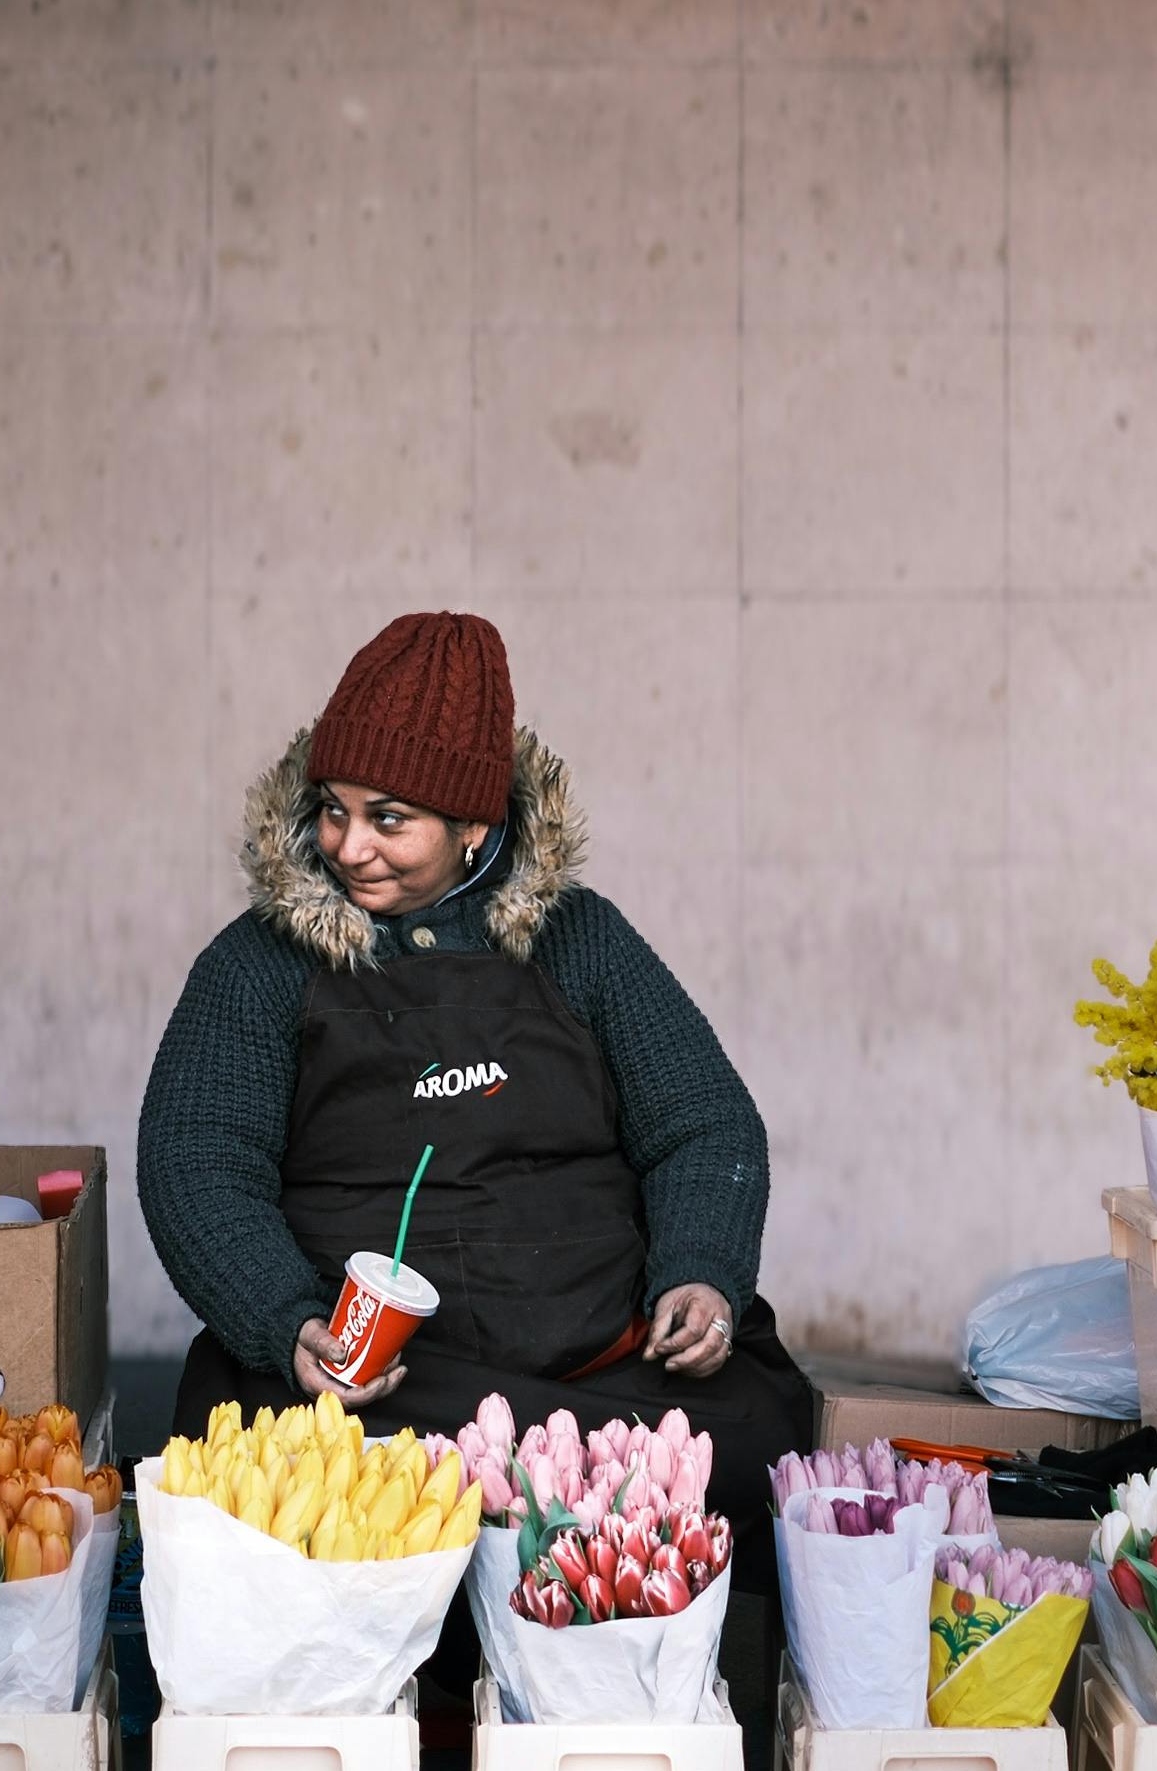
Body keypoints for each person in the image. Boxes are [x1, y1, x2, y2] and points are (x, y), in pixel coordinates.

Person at [139, 611, 822, 1548]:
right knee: (280, 1473)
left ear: (473, 824)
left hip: (598, 1375)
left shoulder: (580, 942)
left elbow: (703, 1124)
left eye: (389, 819)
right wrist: (284, 1321)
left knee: (753, 1451)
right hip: (373, 1388)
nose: (348, 846)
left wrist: (702, 1273)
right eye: (333, 808)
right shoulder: (259, 966)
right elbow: (196, 1160)